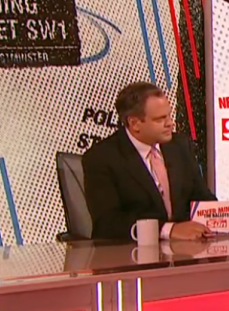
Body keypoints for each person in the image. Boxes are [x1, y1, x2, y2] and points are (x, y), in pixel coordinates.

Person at [83, 82, 217, 241]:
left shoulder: (180, 146)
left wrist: (226, 222)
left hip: (185, 251)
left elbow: (202, 197)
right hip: (130, 255)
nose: (170, 123)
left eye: (169, 115)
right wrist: (168, 230)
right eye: (160, 119)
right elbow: (108, 224)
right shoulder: (102, 158)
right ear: (134, 124)